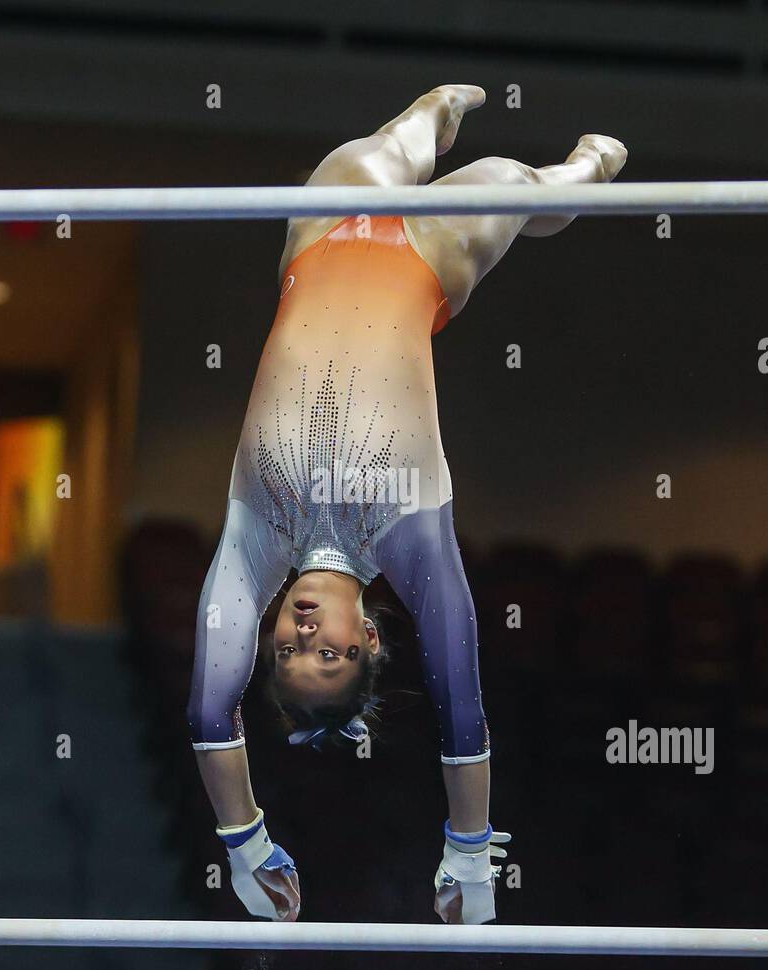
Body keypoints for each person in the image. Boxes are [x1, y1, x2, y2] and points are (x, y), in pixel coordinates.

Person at [186, 85, 627, 923]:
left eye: (286, 656)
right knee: (513, 184)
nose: (305, 638)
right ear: (373, 638)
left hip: (321, 242)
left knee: (383, 149)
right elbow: (462, 707)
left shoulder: (251, 541)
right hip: (426, 261)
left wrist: (243, 839)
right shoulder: (413, 538)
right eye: (334, 658)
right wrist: (469, 855)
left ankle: (429, 117)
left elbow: (210, 709)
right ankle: (586, 171)